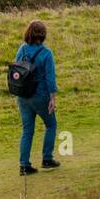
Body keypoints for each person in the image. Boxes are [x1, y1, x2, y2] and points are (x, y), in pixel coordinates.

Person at [15, 20, 60, 176]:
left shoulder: (22, 49)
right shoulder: (46, 53)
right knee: (51, 125)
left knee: (27, 130)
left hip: (23, 96)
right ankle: (47, 158)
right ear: (43, 35)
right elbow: (50, 78)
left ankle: (24, 165)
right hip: (40, 95)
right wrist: (52, 98)